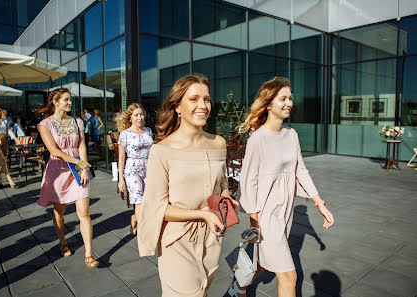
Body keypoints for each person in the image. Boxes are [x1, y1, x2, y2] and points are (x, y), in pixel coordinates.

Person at [229, 77, 335, 297]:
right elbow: (248, 181)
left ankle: (238, 287)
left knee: (268, 261)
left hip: (285, 211)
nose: (289, 103)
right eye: (283, 98)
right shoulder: (257, 139)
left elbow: (301, 171)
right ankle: (239, 287)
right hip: (266, 213)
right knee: (289, 275)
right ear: (268, 104)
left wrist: (319, 203)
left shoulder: (291, 135)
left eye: (290, 98)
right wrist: (254, 220)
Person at [138, 74, 236, 296]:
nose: (203, 106)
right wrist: (202, 215)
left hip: (213, 237)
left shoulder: (218, 143)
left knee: (203, 292)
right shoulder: (161, 151)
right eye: (194, 99)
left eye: (207, 99)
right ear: (177, 106)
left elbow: (221, 186)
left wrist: (227, 199)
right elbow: (157, 208)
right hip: (178, 241)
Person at [35, 88, 99, 268]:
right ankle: (62, 241)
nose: (70, 103)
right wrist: (78, 163)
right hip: (58, 171)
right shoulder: (45, 124)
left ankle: (88, 254)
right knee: (59, 211)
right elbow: (54, 151)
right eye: (66, 100)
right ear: (55, 102)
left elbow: (82, 146)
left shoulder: (77, 122)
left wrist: (84, 168)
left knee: (84, 213)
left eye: (70, 100)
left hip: (78, 169)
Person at [116, 103, 153, 235]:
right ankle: (145, 233)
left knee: (150, 200)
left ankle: (134, 218)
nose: (140, 117)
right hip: (132, 169)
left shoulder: (148, 131)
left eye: (141, 114)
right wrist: (121, 179)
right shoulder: (125, 134)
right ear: (130, 117)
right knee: (139, 202)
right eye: (136, 115)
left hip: (149, 167)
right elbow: (121, 157)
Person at [0, 104, 20, 188]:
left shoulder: (4, 121)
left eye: (0, 110)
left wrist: (15, 139)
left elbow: (9, 130)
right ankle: (9, 179)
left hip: (4, 140)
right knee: (3, 160)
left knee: (0, 162)